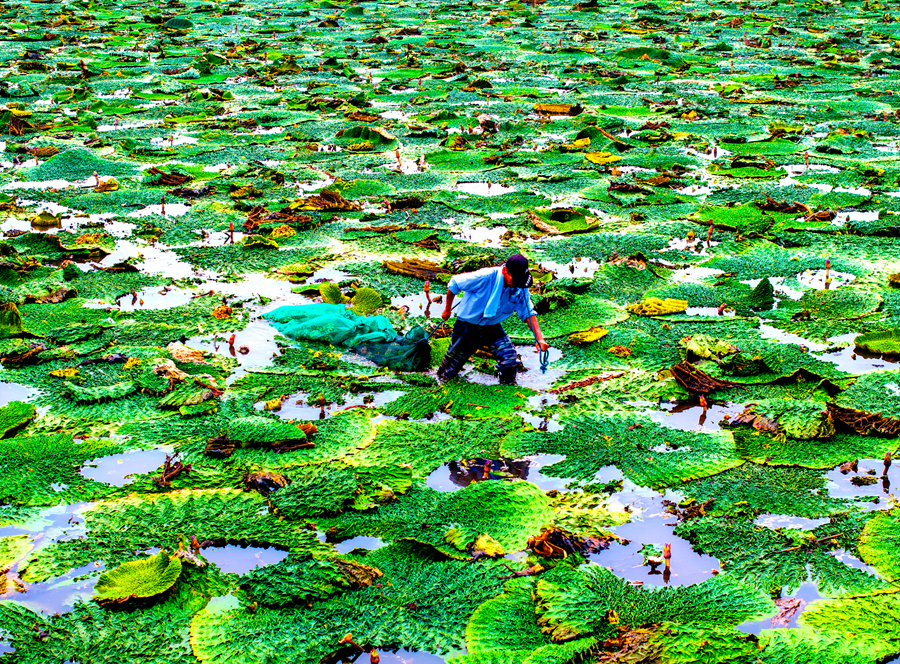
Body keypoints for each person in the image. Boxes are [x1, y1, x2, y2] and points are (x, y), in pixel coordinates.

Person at [437, 254, 549, 385]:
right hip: (467, 326)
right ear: (505, 271)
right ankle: (442, 387)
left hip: (492, 326)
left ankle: (507, 388)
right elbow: (454, 283)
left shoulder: (521, 287)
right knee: (448, 372)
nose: (516, 285)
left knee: (510, 362)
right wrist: (447, 309)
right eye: (515, 280)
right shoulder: (484, 277)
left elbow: (528, 312)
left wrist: (539, 338)